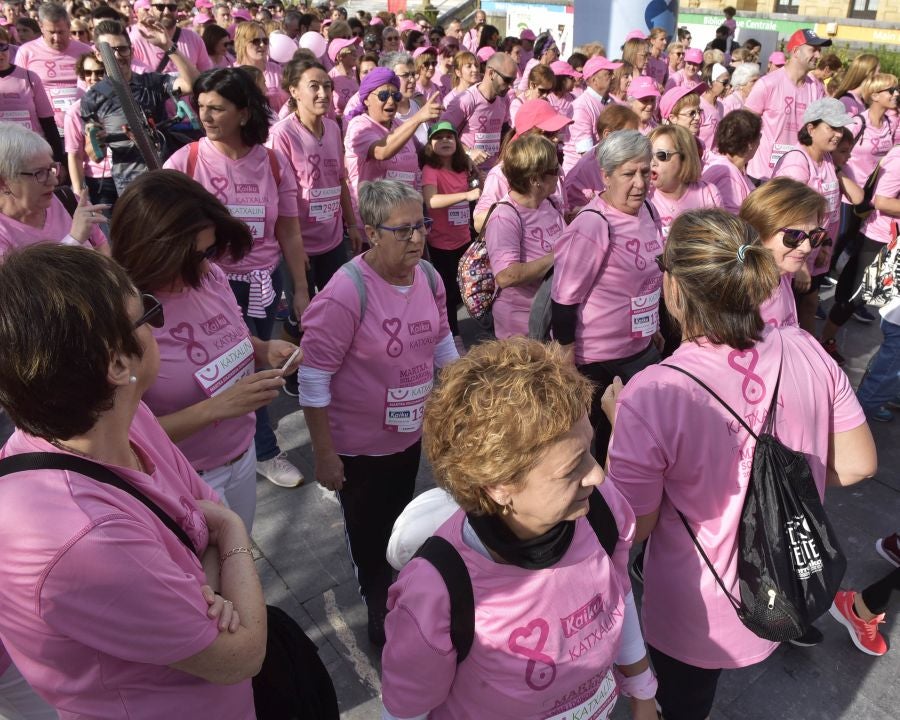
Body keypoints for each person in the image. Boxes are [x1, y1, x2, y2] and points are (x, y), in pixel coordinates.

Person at [606, 207, 876, 720]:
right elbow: (860, 464)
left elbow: (633, 526)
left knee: (681, 704)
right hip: (781, 578)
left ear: (675, 288)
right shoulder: (805, 348)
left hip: (696, 606)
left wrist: (618, 429)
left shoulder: (653, 393)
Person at [0, 243, 268, 717]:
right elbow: (240, 654)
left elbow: (196, 522)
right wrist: (232, 531)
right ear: (118, 364)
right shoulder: (85, 539)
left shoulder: (124, 417)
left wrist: (202, 566)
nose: (155, 325)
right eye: (147, 313)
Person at [381, 338, 658, 720]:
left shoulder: (600, 511)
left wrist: (643, 693)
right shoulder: (437, 594)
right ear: (498, 485)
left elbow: (618, 597)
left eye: (589, 450)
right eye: (572, 467)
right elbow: (405, 713)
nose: (596, 474)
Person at [299, 179, 457, 646]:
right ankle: (379, 616)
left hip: (408, 437)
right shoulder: (345, 294)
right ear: (372, 233)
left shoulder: (428, 277)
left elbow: (442, 341)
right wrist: (325, 456)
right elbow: (312, 380)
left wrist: (466, 393)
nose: (416, 238)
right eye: (403, 230)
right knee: (370, 543)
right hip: (359, 451)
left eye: (421, 226)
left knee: (400, 525)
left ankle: (404, 598)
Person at [163, 68, 308, 489]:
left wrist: (300, 289)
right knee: (219, 369)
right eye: (201, 107)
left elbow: (290, 231)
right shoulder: (186, 160)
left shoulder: (273, 163)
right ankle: (241, 451)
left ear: (244, 113)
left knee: (254, 364)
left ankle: (254, 448)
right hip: (207, 287)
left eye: (217, 108)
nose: (205, 116)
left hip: (264, 283)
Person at [551, 130, 663, 463]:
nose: (640, 183)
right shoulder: (593, 223)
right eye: (629, 174)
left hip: (640, 348)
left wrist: (651, 323)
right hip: (596, 359)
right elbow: (564, 299)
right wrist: (566, 359)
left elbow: (648, 278)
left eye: (645, 172)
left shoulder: (649, 213)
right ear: (606, 176)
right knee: (596, 450)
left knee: (638, 444)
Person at [271, 57, 362, 360]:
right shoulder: (282, 135)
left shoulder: (334, 129)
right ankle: (289, 368)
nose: (324, 93)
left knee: (337, 304)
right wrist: (295, 248)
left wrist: (352, 225)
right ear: (294, 91)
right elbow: (280, 199)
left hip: (333, 238)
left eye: (327, 86)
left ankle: (326, 362)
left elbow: (340, 182)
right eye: (314, 87)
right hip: (300, 243)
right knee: (302, 314)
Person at [81, 19, 200, 194]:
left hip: (166, 172)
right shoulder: (93, 97)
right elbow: (94, 155)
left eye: (122, 49)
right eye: (109, 51)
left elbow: (193, 84)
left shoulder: (151, 82)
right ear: (98, 55)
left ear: (131, 51)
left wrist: (168, 45)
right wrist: (96, 143)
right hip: (130, 183)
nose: (117, 56)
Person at [773, 98, 851, 332]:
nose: (838, 134)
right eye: (832, 127)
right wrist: (803, 266)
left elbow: (830, 210)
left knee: (810, 304)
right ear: (811, 128)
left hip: (815, 250)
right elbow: (787, 217)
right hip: (794, 256)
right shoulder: (797, 163)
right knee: (788, 313)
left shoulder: (827, 159)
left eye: (840, 128)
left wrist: (826, 243)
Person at [483, 134, 564, 339]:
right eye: (555, 168)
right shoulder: (505, 216)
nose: (561, 172)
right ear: (535, 179)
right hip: (520, 326)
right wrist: (558, 255)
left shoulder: (549, 203)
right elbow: (506, 276)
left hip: (550, 315)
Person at [343, 66, 441, 231]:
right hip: (375, 225)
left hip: (406, 221)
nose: (390, 101)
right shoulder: (359, 126)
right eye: (383, 95)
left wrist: (464, 157)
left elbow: (423, 157)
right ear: (366, 99)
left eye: (395, 95)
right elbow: (382, 151)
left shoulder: (399, 125)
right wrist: (418, 118)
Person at [0, 122, 107, 257]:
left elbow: (101, 245)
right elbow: (19, 279)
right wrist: (74, 240)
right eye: (39, 173)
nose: (54, 181)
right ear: (3, 182)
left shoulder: (68, 200)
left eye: (51, 169)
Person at [420, 120, 479, 350]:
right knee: (447, 292)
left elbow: (477, 190)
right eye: (438, 137)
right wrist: (466, 195)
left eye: (449, 136)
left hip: (464, 238)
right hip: (441, 243)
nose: (444, 141)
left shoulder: (462, 167)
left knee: (465, 287)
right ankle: (452, 337)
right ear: (430, 144)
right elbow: (432, 200)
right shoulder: (430, 170)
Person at [740, 177, 827, 329]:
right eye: (793, 236)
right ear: (759, 231)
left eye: (814, 236)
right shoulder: (743, 299)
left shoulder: (781, 273)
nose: (806, 248)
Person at [473, 100, 571, 231]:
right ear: (527, 135)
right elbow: (479, 223)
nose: (556, 138)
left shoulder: (555, 169)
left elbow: (562, 214)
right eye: (548, 134)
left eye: (556, 132)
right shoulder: (502, 172)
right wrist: (520, 208)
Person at [745, 28, 829, 181]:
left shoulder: (816, 88)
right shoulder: (768, 83)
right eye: (813, 50)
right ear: (796, 51)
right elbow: (745, 125)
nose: (818, 55)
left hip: (795, 177)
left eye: (819, 50)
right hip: (762, 175)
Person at [16, 2, 92, 134]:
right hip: (47, 128)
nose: (57, 38)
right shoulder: (26, 52)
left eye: (61, 32)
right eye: (51, 32)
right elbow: (20, 93)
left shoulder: (85, 51)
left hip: (82, 125)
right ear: (41, 27)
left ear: (69, 27)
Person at [442, 51, 517, 172]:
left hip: (492, 173)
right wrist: (468, 152)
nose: (511, 86)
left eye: (513, 81)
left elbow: (503, 131)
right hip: (465, 172)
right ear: (491, 73)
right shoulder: (466, 100)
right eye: (507, 80)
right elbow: (441, 134)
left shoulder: (504, 99)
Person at [0, 26, 63, 162]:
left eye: (2, 47)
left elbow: (47, 122)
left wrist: (59, 159)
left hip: (32, 152)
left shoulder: (29, 77)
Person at [648, 124, 722, 238]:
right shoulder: (646, 199)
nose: (653, 162)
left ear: (684, 158)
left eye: (661, 155)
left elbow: (720, 238)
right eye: (648, 155)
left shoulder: (708, 193)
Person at [564, 105, 640, 213]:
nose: (634, 143)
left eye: (636, 137)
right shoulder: (581, 175)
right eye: (629, 137)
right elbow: (574, 214)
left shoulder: (627, 159)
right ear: (608, 135)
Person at [65, 52, 115, 209]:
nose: (93, 77)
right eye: (88, 73)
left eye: (99, 72)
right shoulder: (74, 111)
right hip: (100, 182)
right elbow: (74, 156)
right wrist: (78, 192)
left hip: (128, 172)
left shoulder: (124, 103)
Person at [563, 55, 622, 174]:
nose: (614, 77)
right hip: (580, 179)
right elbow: (586, 154)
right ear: (594, 80)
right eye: (608, 74)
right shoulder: (581, 107)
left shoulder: (612, 102)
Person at [702, 108, 762, 214]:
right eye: (759, 136)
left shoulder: (731, 168)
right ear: (750, 144)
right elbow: (728, 221)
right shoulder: (727, 175)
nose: (760, 141)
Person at [128, 0, 212, 75]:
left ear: (177, 10)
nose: (166, 12)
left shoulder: (194, 39)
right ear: (150, 10)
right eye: (160, 7)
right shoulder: (136, 39)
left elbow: (206, 76)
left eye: (171, 7)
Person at [234, 21, 287, 111]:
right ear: (242, 43)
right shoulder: (234, 74)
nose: (262, 45)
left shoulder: (277, 70)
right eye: (256, 41)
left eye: (265, 41)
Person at [831, 52, 880, 117]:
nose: (880, 75)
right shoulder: (848, 101)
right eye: (879, 71)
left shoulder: (861, 99)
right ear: (869, 73)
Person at [327, 36, 360, 122]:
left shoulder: (359, 73)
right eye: (351, 52)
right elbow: (328, 110)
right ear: (340, 56)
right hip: (339, 123)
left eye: (355, 51)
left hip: (359, 121)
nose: (355, 55)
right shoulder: (331, 77)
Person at [698, 62, 730, 151]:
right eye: (725, 82)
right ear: (710, 82)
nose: (728, 87)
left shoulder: (720, 106)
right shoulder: (698, 105)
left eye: (729, 82)